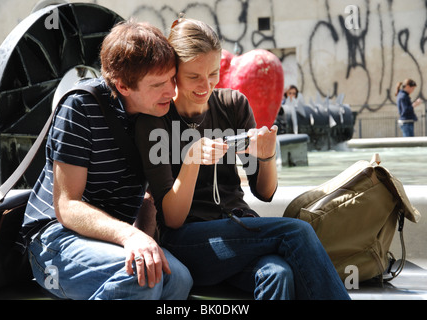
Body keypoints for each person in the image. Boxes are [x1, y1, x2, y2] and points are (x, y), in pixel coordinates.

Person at [135, 17, 350, 300]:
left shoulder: (233, 105)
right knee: (296, 232)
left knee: (278, 274)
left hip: (238, 229)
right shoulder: (154, 121)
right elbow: (173, 220)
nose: (206, 85)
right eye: (194, 77)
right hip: (188, 240)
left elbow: (265, 193)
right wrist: (191, 161)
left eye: (213, 74)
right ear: (173, 72)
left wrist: (267, 155)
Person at [20, 20, 193, 300]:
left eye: (172, 78)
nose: (171, 91)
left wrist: (144, 238)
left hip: (111, 239)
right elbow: (67, 206)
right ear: (123, 86)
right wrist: (132, 237)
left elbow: (150, 194)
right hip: (55, 240)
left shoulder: (158, 111)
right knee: (143, 276)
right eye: (159, 84)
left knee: (179, 279)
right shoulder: (80, 107)